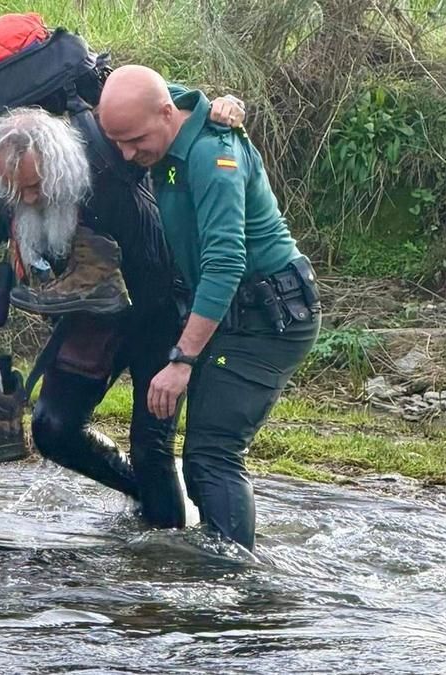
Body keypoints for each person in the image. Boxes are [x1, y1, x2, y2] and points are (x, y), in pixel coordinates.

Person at [0, 57, 245, 529]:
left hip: (159, 315)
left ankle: (163, 541)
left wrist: (219, 110)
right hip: (90, 318)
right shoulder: (6, 191)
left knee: (153, 449)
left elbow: (165, 119)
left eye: (35, 187)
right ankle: (150, 506)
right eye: (14, 188)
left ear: (60, 169)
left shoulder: (112, 179)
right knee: (53, 430)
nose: (26, 199)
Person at [96, 65, 322, 553]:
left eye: (135, 141)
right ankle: (213, 555)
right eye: (117, 143)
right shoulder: (166, 115)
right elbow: (169, 94)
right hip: (228, 311)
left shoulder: (213, 156)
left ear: (164, 114)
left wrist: (181, 361)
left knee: (213, 455)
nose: (128, 155)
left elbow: (225, 263)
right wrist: (225, 99)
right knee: (202, 458)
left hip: (269, 317)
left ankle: (231, 585)